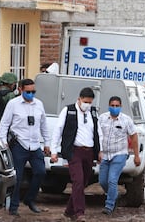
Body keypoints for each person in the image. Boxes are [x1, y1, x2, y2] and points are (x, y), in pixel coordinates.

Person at [0, 78, 50, 216]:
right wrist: (3, 141)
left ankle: (30, 199)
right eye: (28, 91)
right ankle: (13, 207)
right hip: (19, 144)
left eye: (33, 91)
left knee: (40, 172)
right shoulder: (13, 104)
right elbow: (4, 123)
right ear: (20, 90)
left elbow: (43, 125)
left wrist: (47, 143)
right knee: (18, 177)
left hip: (34, 144)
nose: (31, 94)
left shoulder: (39, 104)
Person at [50, 87, 103, 222]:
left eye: (90, 102)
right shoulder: (68, 110)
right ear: (79, 99)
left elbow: (98, 133)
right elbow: (58, 130)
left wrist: (100, 150)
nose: (87, 105)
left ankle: (69, 211)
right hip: (74, 151)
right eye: (85, 102)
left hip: (89, 152)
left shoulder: (93, 113)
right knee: (77, 180)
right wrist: (54, 151)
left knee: (83, 182)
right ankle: (80, 213)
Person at [98, 96, 140, 215]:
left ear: (121, 107)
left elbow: (134, 137)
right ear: (108, 106)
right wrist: (98, 151)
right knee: (102, 181)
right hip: (105, 154)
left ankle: (109, 205)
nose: (114, 108)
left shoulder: (126, 120)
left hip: (119, 154)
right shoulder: (102, 119)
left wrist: (136, 155)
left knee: (112, 180)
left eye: (117, 106)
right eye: (112, 105)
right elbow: (97, 135)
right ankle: (114, 195)